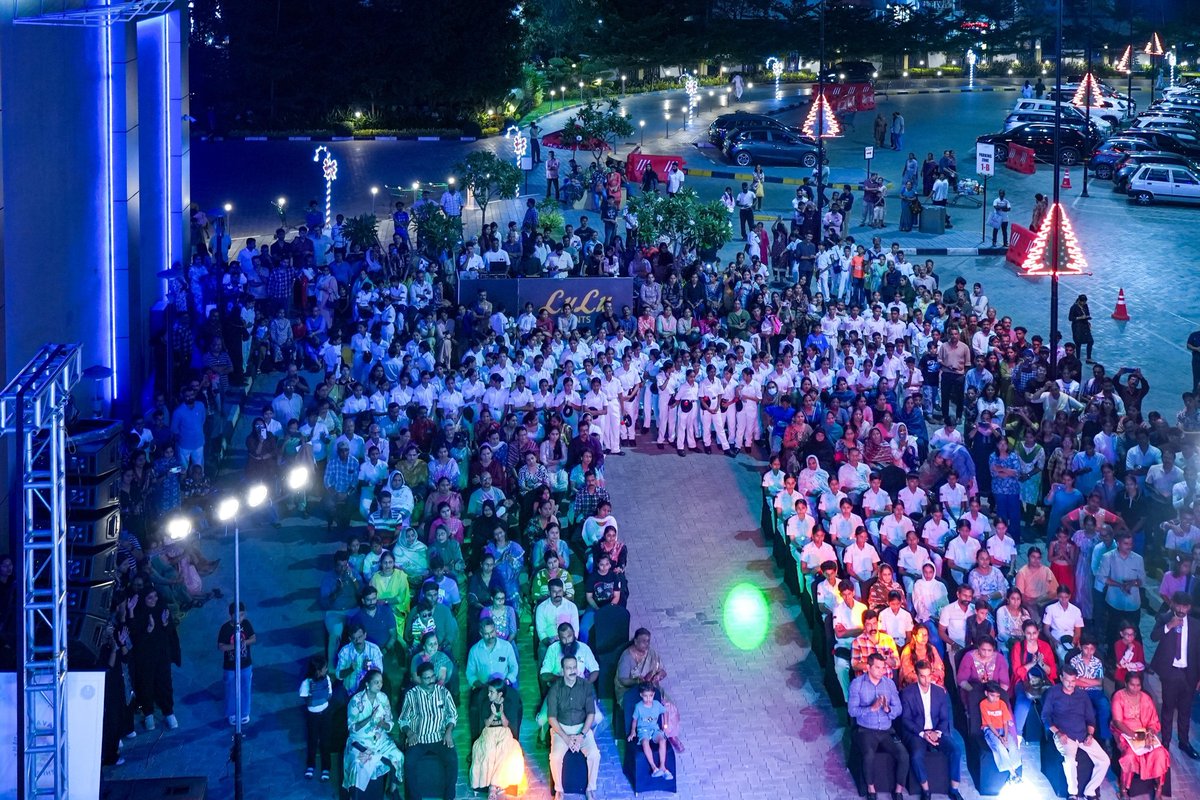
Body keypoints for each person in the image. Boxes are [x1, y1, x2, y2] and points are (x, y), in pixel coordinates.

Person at [1042, 665, 1112, 800]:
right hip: (1064, 736)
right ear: (1061, 678)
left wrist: (1090, 735)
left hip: (1083, 735)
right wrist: (1057, 733)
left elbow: (1091, 719)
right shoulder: (1053, 693)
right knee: (1069, 760)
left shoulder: (1082, 695)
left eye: (1073, 681)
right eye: (1067, 680)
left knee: (1105, 761)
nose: (1070, 684)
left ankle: (1090, 791)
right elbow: (1045, 717)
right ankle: (1073, 793)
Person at [899, 660, 965, 800]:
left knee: (956, 750)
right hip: (917, 732)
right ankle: (926, 791)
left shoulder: (939, 692)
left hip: (936, 731)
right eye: (922, 676)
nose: (926, 679)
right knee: (916, 756)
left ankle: (954, 789)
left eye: (929, 675)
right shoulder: (907, 693)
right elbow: (905, 720)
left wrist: (937, 733)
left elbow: (944, 718)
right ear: (917, 675)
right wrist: (923, 734)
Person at [848, 652, 908, 800]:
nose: (881, 671)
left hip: (887, 730)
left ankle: (898, 791)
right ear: (868, 667)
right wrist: (871, 708)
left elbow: (898, 708)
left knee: (904, 755)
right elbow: (852, 711)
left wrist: (889, 710)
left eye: (883, 668)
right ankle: (871, 790)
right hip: (866, 730)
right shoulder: (857, 684)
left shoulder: (889, 684)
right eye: (877, 668)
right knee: (869, 755)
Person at [1149, 591, 1200, 757]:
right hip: (1170, 672)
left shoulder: (1195, 625)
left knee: (1185, 709)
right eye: (1178, 605)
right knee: (1168, 708)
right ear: (1173, 604)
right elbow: (1153, 637)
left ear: (1189, 608)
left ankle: (1184, 742)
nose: (1181, 609)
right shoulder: (1164, 618)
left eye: (1185, 606)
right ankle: (1165, 742)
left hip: (1189, 674)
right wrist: (1169, 626)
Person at [398, 661, 459, 800]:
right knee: (409, 763)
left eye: (432, 677)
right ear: (419, 679)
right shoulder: (411, 695)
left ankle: (449, 797)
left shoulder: (443, 692)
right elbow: (403, 720)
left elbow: (452, 715)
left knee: (452, 760)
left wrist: (449, 731)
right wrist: (409, 732)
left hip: (440, 737)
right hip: (419, 739)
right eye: (427, 678)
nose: (431, 680)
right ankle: (415, 798)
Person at [343, 669, 404, 797]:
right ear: (367, 684)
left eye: (381, 682)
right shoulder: (356, 701)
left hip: (380, 739)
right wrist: (369, 719)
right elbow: (352, 727)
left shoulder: (383, 698)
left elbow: (389, 722)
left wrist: (383, 724)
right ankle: (354, 795)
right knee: (358, 764)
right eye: (376, 682)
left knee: (398, 756)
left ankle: (392, 790)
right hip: (360, 741)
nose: (379, 685)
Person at [1111, 670, 1171, 800]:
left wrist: (1150, 732)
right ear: (1126, 684)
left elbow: (1153, 720)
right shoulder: (1119, 696)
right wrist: (1134, 735)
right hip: (1125, 733)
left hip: (1143, 732)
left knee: (1160, 753)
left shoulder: (1145, 698)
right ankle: (1123, 788)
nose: (1136, 688)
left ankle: (1158, 787)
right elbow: (1117, 722)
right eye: (1132, 685)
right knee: (1129, 756)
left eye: (1138, 685)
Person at [547, 655, 600, 800]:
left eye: (574, 667)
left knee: (595, 754)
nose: (572, 671)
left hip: (582, 729)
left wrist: (581, 735)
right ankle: (559, 789)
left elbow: (591, 714)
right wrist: (566, 738)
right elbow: (551, 718)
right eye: (568, 668)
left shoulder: (586, 686)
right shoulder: (555, 689)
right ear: (562, 670)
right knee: (555, 757)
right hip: (561, 729)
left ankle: (590, 788)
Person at [470, 679, 528, 798]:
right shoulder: (486, 703)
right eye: (489, 691)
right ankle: (493, 786)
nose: (489, 694)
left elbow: (507, 724)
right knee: (489, 751)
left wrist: (501, 713)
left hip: (504, 731)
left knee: (504, 751)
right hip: (489, 731)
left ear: (500, 694)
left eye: (492, 692)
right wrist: (492, 714)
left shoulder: (508, 703)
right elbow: (486, 723)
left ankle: (493, 786)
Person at [217, 601, 256, 726]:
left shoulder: (246, 624)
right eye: (237, 615)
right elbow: (221, 646)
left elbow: (253, 638)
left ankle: (245, 712)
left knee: (245, 688)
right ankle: (232, 713)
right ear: (231, 615)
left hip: (246, 664)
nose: (240, 618)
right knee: (230, 689)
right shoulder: (225, 628)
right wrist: (235, 646)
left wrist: (245, 642)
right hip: (230, 666)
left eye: (242, 615)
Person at [979, 681, 1023, 784]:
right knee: (999, 746)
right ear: (986, 693)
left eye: (997, 696)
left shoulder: (1002, 703)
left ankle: (1014, 771)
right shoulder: (983, 704)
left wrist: (1006, 737)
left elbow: (1005, 721)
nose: (995, 699)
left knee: (1012, 746)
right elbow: (989, 724)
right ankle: (1013, 773)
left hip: (1003, 729)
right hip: (990, 730)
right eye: (992, 696)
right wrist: (1000, 737)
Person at [628, 683, 673, 780]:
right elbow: (634, 720)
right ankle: (654, 767)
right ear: (641, 695)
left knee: (662, 740)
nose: (648, 699)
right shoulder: (638, 707)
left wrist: (665, 726)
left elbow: (664, 712)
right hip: (643, 730)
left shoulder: (657, 704)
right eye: (645, 696)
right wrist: (633, 731)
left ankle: (662, 766)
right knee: (645, 742)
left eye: (651, 696)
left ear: (653, 694)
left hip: (654, 729)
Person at [299, 654, 334, 781]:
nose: (327, 670)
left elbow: (329, 696)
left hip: (325, 714)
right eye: (325, 668)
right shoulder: (306, 683)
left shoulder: (327, 679)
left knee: (325, 741)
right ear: (318, 671)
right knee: (313, 741)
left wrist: (321, 695)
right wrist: (312, 692)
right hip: (312, 716)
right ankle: (310, 765)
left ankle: (326, 768)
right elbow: (307, 702)